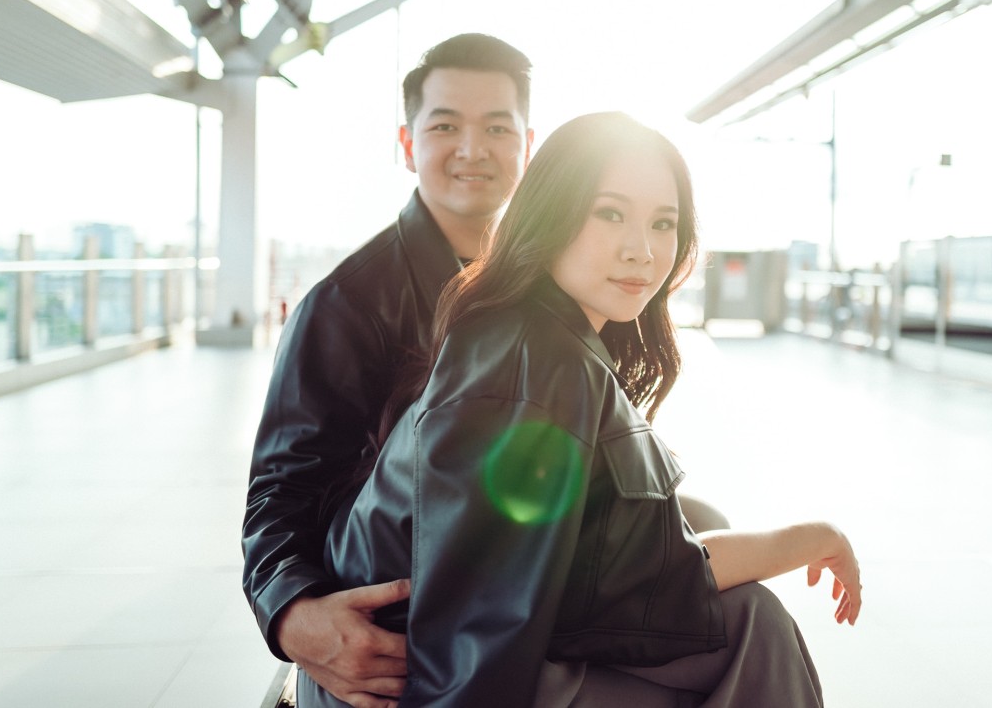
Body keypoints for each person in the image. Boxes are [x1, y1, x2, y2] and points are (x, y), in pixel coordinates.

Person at [303, 112, 862, 707]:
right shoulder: (535, 359)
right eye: (611, 214)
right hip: (412, 678)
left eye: (663, 223)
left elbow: (616, 556)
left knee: (706, 531)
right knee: (756, 623)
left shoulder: (533, 327)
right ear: (551, 215)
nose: (641, 250)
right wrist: (814, 538)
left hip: (434, 647)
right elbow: (500, 612)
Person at [242, 33, 536, 704]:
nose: (472, 149)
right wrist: (295, 617)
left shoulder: (544, 287)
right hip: (398, 626)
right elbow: (278, 496)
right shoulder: (346, 304)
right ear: (407, 144)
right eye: (445, 126)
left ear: (528, 145)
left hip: (505, 594)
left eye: (497, 128)